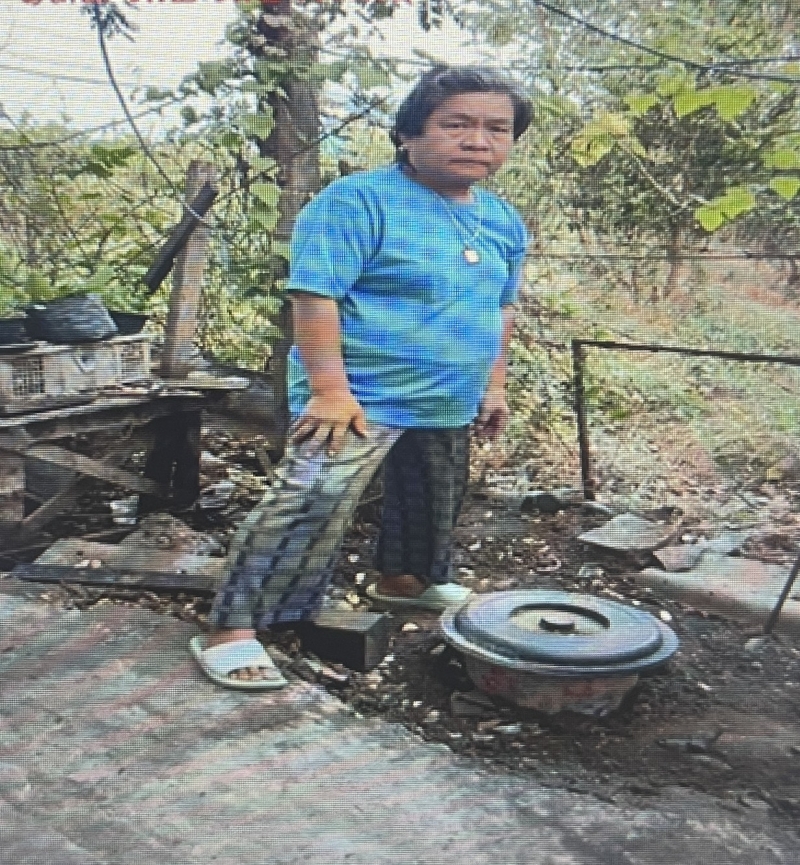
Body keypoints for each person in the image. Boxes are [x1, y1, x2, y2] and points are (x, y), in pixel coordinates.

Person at [190, 65, 533, 689]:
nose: (477, 140)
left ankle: (405, 583)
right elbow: (314, 295)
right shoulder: (356, 202)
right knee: (308, 503)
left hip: (447, 394)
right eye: (456, 124)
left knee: (432, 495)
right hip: (357, 396)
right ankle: (234, 628)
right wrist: (329, 391)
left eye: (496, 129)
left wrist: (494, 384)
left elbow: (501, 308)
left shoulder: (503, 221)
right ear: (408, 134)